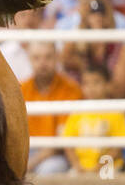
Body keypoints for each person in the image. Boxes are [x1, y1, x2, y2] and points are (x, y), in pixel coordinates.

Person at [20, 41, 83, 175]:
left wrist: (31, 164)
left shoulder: (71, 90)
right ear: (29, 59)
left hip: (57, 154)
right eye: (37, 58)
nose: (43, 63)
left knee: (49, 170)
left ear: (57, 57)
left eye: (48, 57)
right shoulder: (20, 90)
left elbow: (63, 139)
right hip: (26, 150)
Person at [62, 63, 125, 174]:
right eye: (86, 83)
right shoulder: (77, 111)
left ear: (108, 85)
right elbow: (68, 143)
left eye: (96, 82)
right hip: (81, 168)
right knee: (70, 181)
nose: (91, 88)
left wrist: (97, 168)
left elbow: (117, 148)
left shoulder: (115, 111)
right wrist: (77, 166)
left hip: (109, 167)